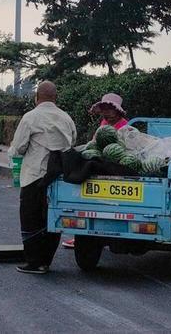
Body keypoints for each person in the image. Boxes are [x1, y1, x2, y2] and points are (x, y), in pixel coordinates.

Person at [9, 81, 77, 274]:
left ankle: (34, 262)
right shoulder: (66, 118)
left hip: (35, 175)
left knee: (31, 219)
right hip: (59, 177)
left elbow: (20, 147)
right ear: (55, 98)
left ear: (36, 97)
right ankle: (46, 261)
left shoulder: (30, 117)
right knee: (52, 219)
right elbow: (72, 142)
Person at [62, 92, 128, 250]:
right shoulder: (104, 124)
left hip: (115, 168)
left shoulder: (126, 127)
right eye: (104, 109)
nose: (106, 113)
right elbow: (94, 143)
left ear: (118, 111)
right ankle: (83, 236)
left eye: (110, 110)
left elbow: (123, 150)